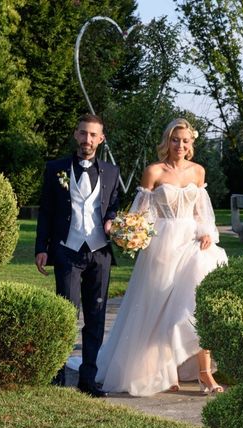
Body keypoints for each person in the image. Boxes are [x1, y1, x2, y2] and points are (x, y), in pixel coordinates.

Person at [96, 118, 228, 397]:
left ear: (192, 144)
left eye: (185, 141)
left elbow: (202, 212)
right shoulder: (153, 171)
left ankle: (205, 372)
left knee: (194, 305)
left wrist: (207, 232)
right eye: (174, 139)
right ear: (166, 141)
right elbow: (142, 214)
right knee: (158, 309)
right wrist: (133, 232)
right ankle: (164, 371)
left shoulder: (198, 172)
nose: (180, 145)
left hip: (193, 244)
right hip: (163, 246)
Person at [35, 113, 120, 398]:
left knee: (95, 316)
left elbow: (113, 207)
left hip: (99, 252)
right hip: (67, 250)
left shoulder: (111, 171)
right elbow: (45, 210)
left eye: (93, 135)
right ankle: (57, 372)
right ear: (76, 134)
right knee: (65, 313)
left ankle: (88, 378)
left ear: (101, 138)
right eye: (83, 133)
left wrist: (111, 221)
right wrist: (41, 248)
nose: (87, 139)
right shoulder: (55, 168)